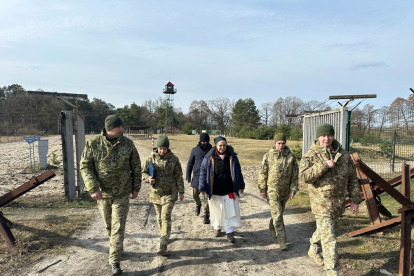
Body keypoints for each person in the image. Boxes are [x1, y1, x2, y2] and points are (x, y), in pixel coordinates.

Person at [80, 115, 141, 276]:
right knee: (109, 226)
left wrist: (136, 188)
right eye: (118, 126)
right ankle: (117, 246)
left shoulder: (128, 144)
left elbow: (136, 166)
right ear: (109, 128)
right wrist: (93, 188)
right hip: (103, 194)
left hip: (122, 193)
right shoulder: (93, 144)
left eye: (122, 126)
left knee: (118, 225)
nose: (122, 129)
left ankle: (114, 261)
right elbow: (85, 167)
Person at [299, 124, 362, 276]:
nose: (326, 138)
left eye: (329, 135)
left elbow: (353, 179)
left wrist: (355, 199)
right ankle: (333, 271)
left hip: (338, 203)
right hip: (321, 203)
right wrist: (323, 166)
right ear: (318, 137)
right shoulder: (311, 155)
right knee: (330, 238)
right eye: (323, 136)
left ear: (333, 136)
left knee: (325, 230)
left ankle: (313, 248)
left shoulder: (344, 155)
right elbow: (303, 176)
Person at [142, 135, 185, 256]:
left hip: (170, 193)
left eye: (164, 149)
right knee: (159, 217)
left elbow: (178, 176)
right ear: (157, 147)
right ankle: (164, 235)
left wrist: (181, 192)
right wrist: (148, 179)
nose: (162, 151)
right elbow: (143, 172)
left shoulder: (174, 159)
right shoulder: (150, 158)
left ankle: (163, 244)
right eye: (160, 148)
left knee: (165, 216)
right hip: (155, 194)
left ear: (168, 149)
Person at [199, 136, 245, 244]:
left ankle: (230, 233)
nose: (222, 148)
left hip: (229, 188)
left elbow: (238, 171)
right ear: (216, 145)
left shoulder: (232, 156)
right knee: (217, 210)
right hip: (215, 189)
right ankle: (217, 226)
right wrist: (202, 187)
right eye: (220, 145)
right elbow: (203, 172)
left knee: (229, 211)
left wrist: (241, 185)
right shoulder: (209, 157)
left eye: (224, 145)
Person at [258, 133, 298, 251]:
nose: (281, 145)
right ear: (275, 143)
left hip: (285, 191)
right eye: (278, 143)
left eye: (283, 143)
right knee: (278, 214)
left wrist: (293, 189)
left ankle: (272, 226)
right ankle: (282, 240)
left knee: (278, 212)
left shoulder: (291, 157)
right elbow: (262, 173)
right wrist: (262, 188)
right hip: (272, 190)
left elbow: (295, 175)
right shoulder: (268, 156)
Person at [186, 133, 212, 224]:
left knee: (207, 197)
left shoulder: (212, 150)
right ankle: (198, 204)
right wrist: (188, 175)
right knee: (194, 194)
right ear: (200, 141)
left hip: (208, 177)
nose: (205, 143)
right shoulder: (194, 150)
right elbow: (190, 164)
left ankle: (206, 215)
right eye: (203, 141)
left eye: (206, 141)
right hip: (197, 176)